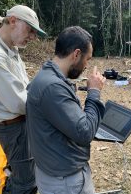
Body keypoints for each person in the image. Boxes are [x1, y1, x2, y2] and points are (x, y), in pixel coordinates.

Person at [0, 5, 47, 194]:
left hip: (19, 124)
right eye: (30, 30)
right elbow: (19, 103)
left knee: (25, 174)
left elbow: (24, 85)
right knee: (26, 182)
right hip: (14, 127)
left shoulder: (9, 48)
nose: (32, 37)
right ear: (13, 21)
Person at [26, 26, 106, 194]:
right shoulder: (53, 87)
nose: (86, 65)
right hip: (65, 183)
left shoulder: (46, 75)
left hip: (53, 172)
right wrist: (94, 92)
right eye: (87, 59)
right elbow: (84, 133)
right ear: (76, 54)